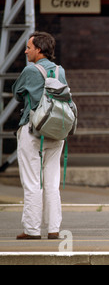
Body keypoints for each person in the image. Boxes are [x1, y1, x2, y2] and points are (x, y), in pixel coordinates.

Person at [12, 32, 67, 240]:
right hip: (56, 131)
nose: (26, 51)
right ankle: (54, 229)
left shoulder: (30, 70)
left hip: (33, 129)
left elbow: (17, 92)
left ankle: (32, 230)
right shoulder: (60, 71)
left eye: (28, 47)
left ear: (39, 50)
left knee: (32, 182)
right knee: (52, 183)